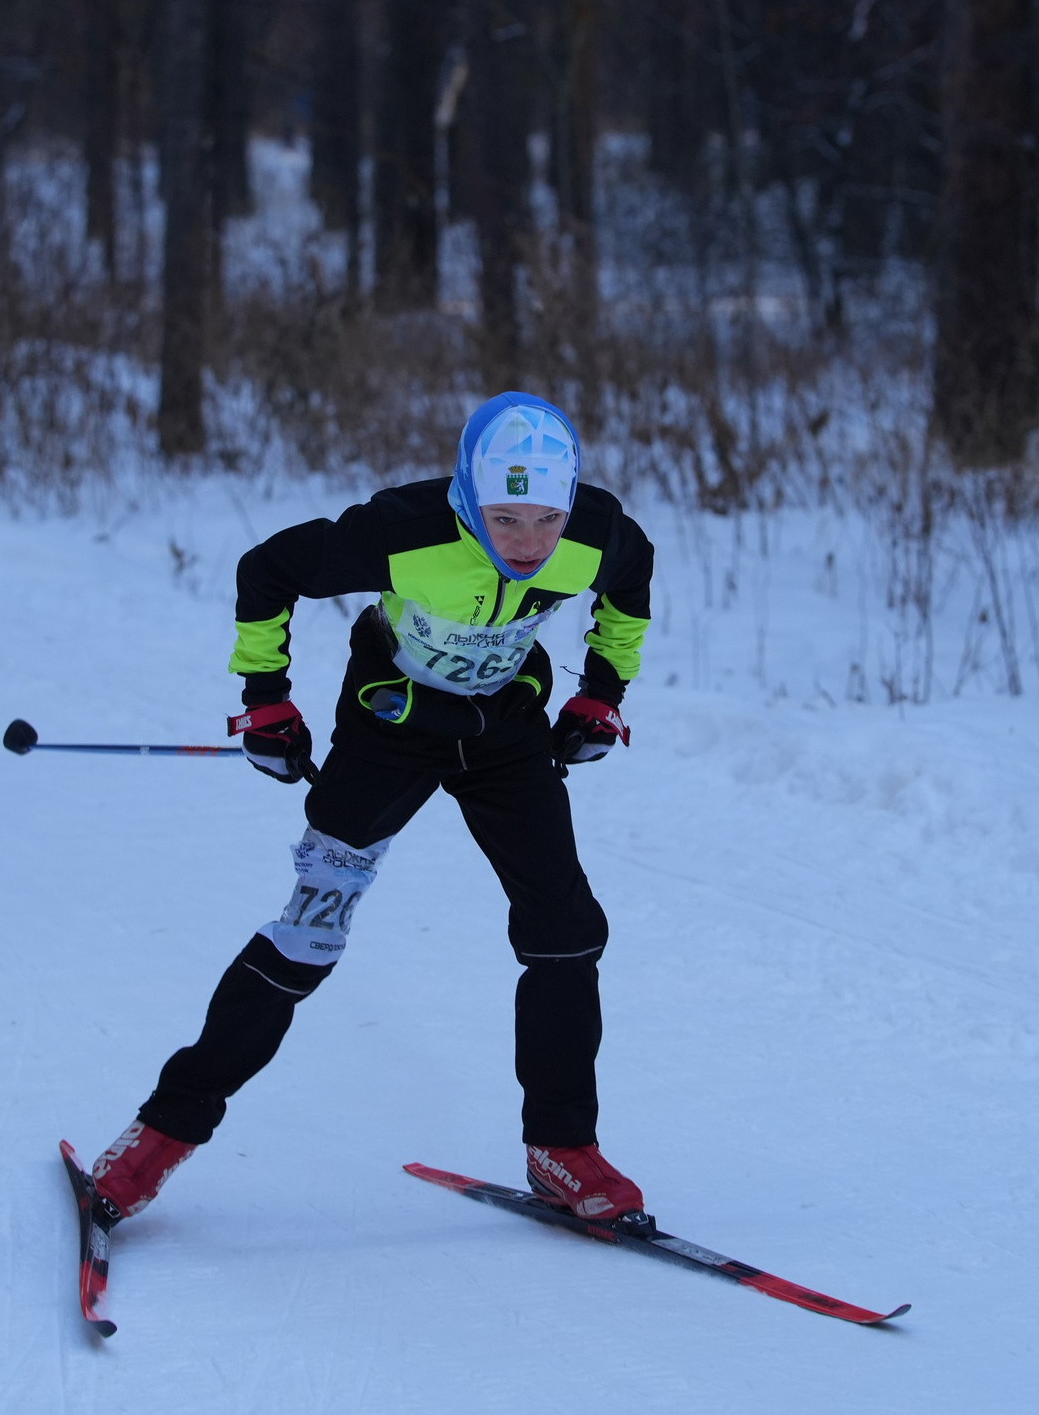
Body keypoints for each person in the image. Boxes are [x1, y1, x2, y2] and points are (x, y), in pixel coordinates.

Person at [87, 392, 656, 1222]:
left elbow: (632, 582)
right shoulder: (405, 531)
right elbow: (267, 571)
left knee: (567, 930)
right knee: (308, 936)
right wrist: (266, 701)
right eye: (505, 519)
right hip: (390, 726)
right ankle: (159, 1135)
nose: (529, 545)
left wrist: (602, 693)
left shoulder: (594, 532)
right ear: (467, 495)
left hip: (506, 734)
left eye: (545, 520)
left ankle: (563, 1149)